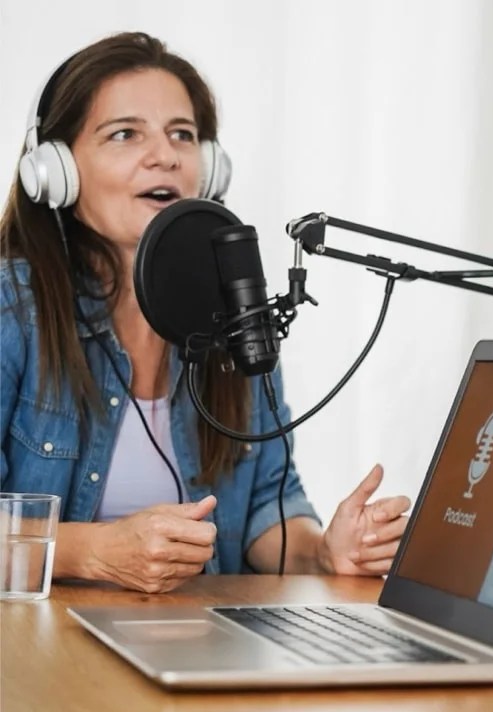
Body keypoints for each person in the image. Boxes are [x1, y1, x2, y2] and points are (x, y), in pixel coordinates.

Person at [1, 32, 410, 592]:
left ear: (209, 171)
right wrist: (96, 551)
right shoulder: (13, 309)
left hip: (188, 646)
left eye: (182, 135)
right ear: (55, 171)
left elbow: (267, 506)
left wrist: (323, 552)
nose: (165, 155)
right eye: (125, 134)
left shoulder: (235, 311)